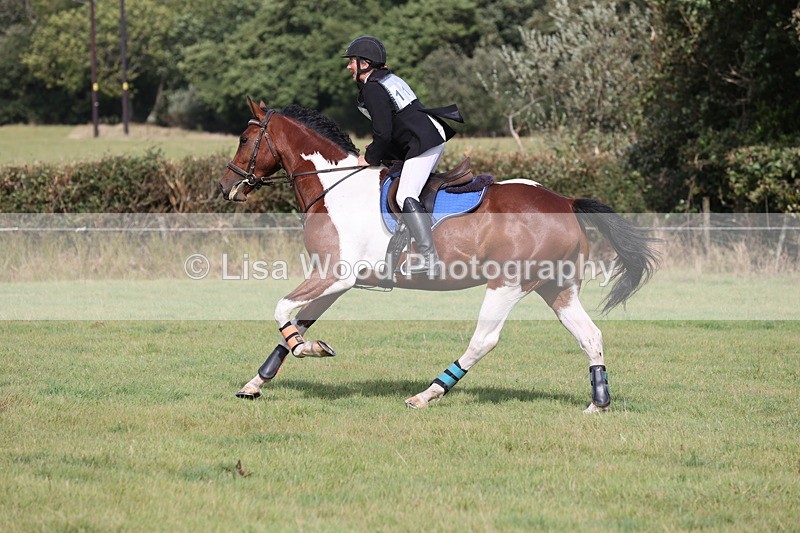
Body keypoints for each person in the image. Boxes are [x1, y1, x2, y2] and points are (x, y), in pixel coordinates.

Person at [343, 36, 463, 276]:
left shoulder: (373, 87)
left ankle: (429, 258)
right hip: (423, 139)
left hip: (423, 142)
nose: (349, 67)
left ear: (365, 63)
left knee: (405, 194)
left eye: (352, 61)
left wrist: (369, 157)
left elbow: (383, 133)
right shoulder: (385, 79)